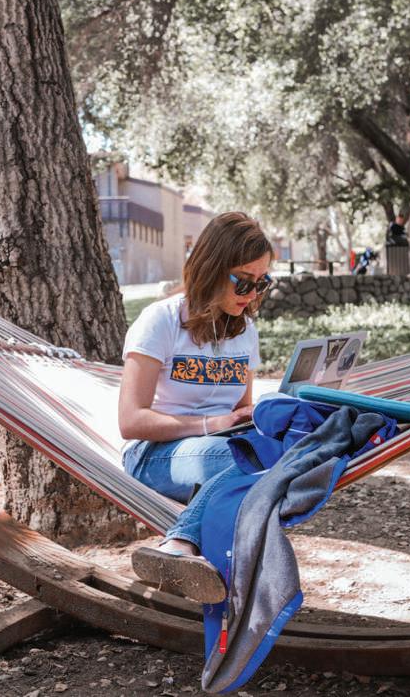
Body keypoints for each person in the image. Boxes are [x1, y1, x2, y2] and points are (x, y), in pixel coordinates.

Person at [119, 212, 272, 602]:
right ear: (211, 268)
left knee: (278, 455)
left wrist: (258, 418)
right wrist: (208, 424)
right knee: (248, 460)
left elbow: (240, 410)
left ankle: (228, 587)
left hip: (219, 449)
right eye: (244, 281)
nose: (253, 293)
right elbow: (131, 420)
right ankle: (179, 544)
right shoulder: (161, 321)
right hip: (153, 454)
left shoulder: (245, 332)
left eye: (262, 282)